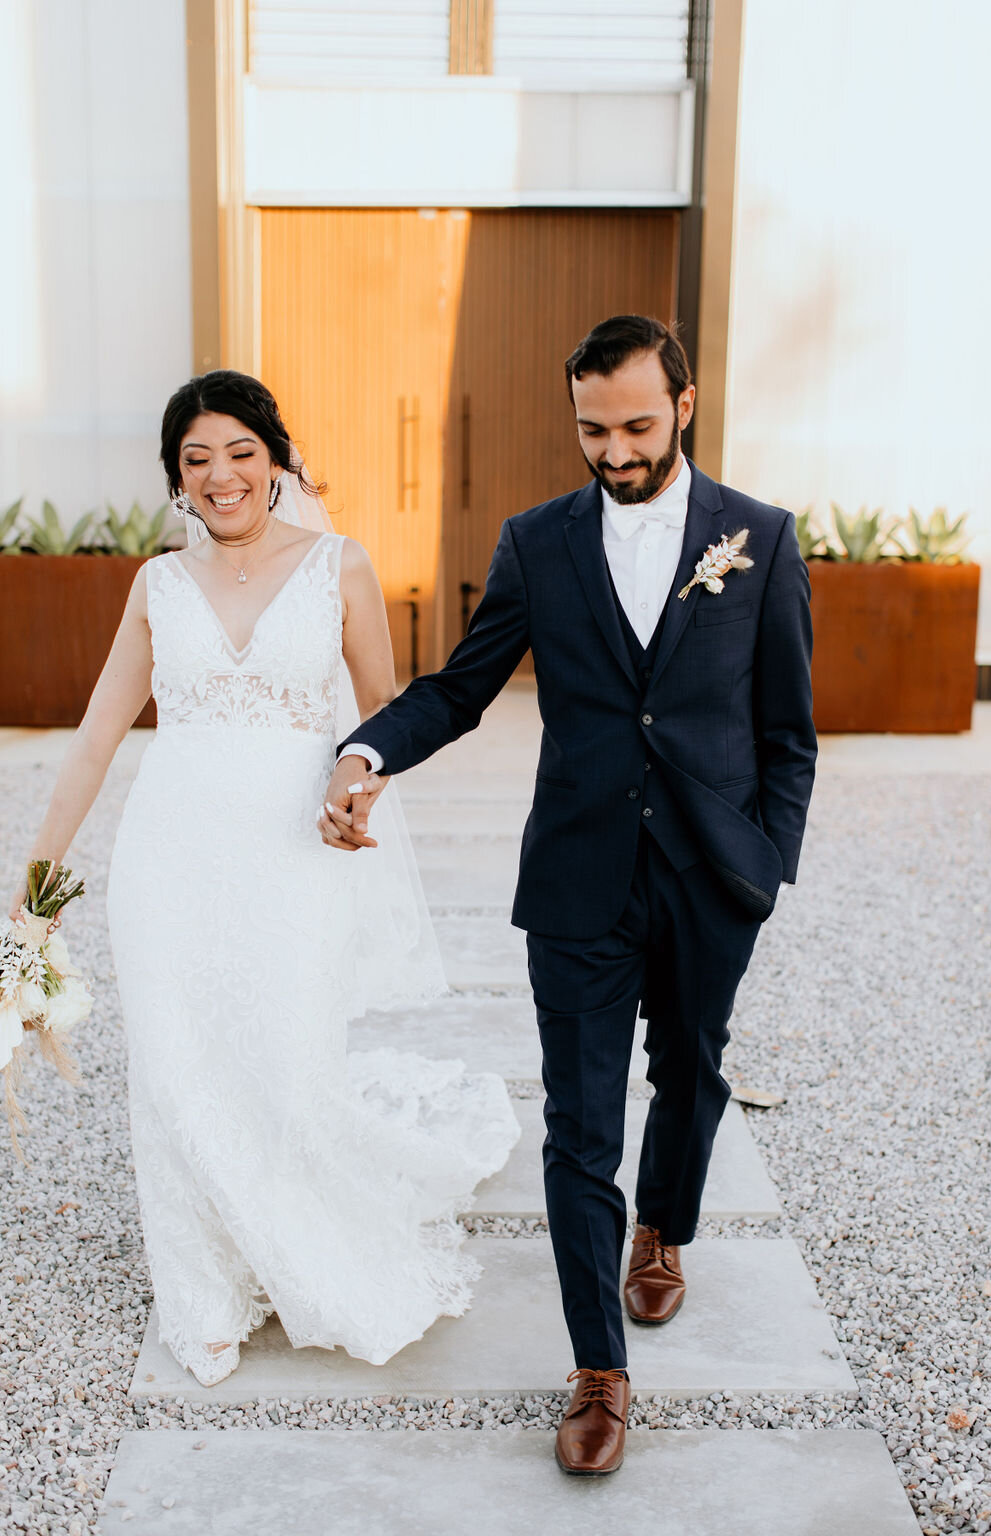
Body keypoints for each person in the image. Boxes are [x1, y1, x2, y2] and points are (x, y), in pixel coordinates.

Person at [321, 315, 816, 1475]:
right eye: (593, 430)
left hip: (710, 876)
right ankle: (600, 1370)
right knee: (579, 1127)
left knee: (691, 1069)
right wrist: (365, 751)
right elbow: (460, 688)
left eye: (637, 425)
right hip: (577, 880)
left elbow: (788, 730)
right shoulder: (535, 542)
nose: (615, 450)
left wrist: (763, 869)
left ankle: (663, 1228)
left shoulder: (758, 538)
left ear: (682, 405)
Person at [9, 370, 519, 1387]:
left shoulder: (340, 566)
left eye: (240, 452)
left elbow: (386, 717)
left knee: (284, 1062)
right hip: (168, 862)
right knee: (176, 1069)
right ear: (177, 479)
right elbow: (95, 742)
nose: (221, 475)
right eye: (196, 460)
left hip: (293, 860)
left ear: (276, 459)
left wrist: (355, 789)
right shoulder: (157, 586)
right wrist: (33, 892)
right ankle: (200, 1290)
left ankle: (294, 1248)